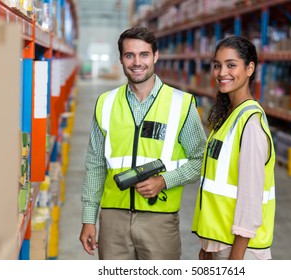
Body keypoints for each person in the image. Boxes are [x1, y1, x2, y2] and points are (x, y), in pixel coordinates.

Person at [79, 26, 207, 260]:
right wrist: (89, 218)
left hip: (159, 218)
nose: (137, 62)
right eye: (130, 55)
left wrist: (164, 181)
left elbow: (201, 160)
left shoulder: (181, 104)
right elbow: (95, 164)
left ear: (155, 56)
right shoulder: (105, 103)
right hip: (112, 220)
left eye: (144, 54)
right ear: (121, 59)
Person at [191, 36, 276, 260]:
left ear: (249, 69)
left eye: (231, 65)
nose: (221, 72)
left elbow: (251, 198)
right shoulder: (230, 115)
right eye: (217, 65)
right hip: (220, 243)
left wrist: (235, 259)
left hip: (240, 250)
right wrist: (207, 246)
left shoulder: (250, 122)